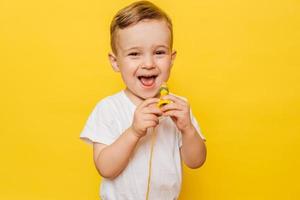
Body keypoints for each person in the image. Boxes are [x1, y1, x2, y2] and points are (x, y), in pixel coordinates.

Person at [80, 1, 207, 199]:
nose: (148, 64)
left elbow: (196, 161)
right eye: (134, 54)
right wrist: (134, 132)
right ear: (115, 62)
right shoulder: (108, 109)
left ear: (171, 59)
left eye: (159, 53)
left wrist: (187, 129)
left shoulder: (178, 107)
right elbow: (105, 168)